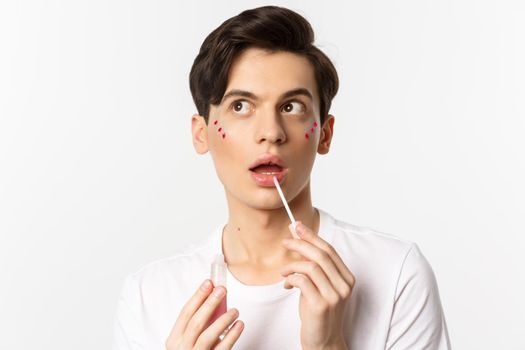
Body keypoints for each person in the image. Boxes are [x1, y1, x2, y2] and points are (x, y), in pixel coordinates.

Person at [112, 5, 451, 350]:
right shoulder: (150, 294)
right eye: (241, 106)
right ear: (201, 134)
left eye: (292, 107)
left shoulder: (395, 273)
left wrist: (330, 344)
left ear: (325, 134)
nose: (271, 133)